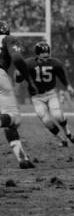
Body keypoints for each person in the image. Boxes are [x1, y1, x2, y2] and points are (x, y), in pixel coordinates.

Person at [16, 41, 74, 147]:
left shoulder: (55, 63)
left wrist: (68, 86)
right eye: (43, 53)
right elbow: (19, 79)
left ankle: (68, 133)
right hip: (36, 97)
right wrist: (18, 73)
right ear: (37, 53)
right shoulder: (29, 63)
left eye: (47, 52)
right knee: (46, 120)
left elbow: (62, 76)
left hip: (51, 93)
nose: (46, 55)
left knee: (57, 115)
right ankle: (61, 139)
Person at [0, 21, 37, 168]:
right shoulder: (8, 39)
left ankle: (22, 158)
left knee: (7, 120)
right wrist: (28, 79)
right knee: (14, 119)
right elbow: (17, 58)